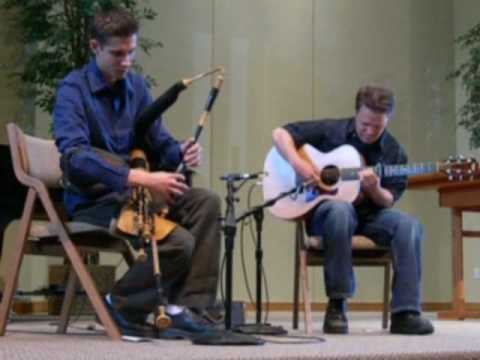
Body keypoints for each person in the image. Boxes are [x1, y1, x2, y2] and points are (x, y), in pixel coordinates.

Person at [53, 7, 221, 338]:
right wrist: (138, 177)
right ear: (94, 47)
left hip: (136, 194)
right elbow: (75, 157)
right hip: (94, 200)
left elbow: (159, 143)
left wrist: (182, 152)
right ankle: (119, 305)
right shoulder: (72, 90)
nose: (126, 61)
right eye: (117, 54)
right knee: (178, 242)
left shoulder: (137, 88)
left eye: (131, 52)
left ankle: (184, 308)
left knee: (207, 203)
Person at [272, 85, 434, 335]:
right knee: (339, 210)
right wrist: (299, 165)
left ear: (387, 120)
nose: (369, 131)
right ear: (356, 113)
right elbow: (280, 133)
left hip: (370, 217)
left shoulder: (394, 151)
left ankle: (405, 312)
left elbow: (388, 200)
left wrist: (375, 188)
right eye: (364, 124)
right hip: (327, 215)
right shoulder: (331, 131)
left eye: (377, 127)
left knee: (409, 225)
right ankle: (337, 304)